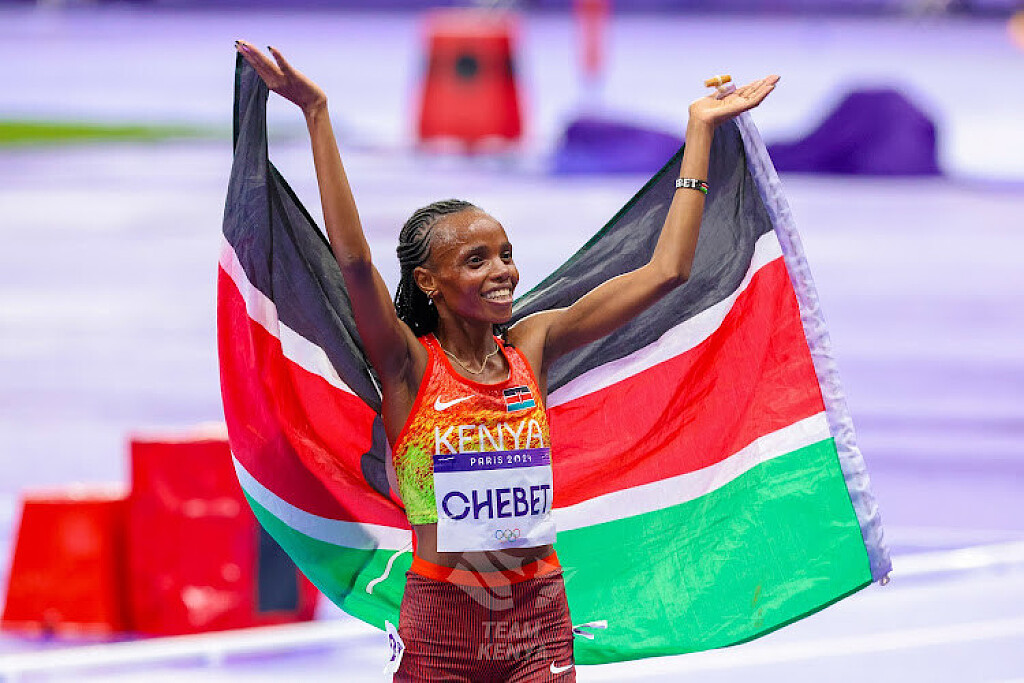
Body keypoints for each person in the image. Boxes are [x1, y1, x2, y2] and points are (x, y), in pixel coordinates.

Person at [235, 39, 777, 683]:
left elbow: (668, 271)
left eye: (506, 254)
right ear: (429, 282)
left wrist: (700, 131)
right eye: (477, 260)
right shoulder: (408, 367)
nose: (504, 272)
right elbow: (353, 262)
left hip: (538, 624)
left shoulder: (532, 346)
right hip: (442, 630)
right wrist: (316, 112)